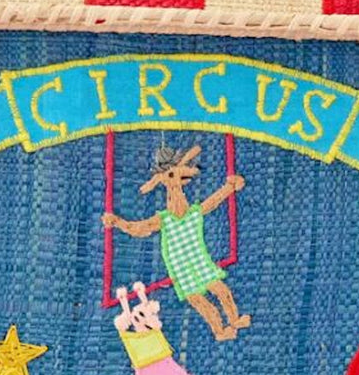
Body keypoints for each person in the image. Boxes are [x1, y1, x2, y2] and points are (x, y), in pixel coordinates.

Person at [103, 143, 250, 341]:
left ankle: (234, 319)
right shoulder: (165, 219)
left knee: (222, 291)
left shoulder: (194, 213)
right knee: (202, 303)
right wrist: (117, 222)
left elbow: (214, 199)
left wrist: (229, 188)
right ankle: (220, 331)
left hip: (200, 262)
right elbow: (139, 228)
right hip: (182, 270)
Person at [114, 281, 206, 375]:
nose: (137, 317)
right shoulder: (130, 336)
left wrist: (140, 297)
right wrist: (125, 302)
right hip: (146, 368)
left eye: (141, 314)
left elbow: (149, 314)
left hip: (162, 363)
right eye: (135, 315)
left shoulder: (153, 329)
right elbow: (127, 319)